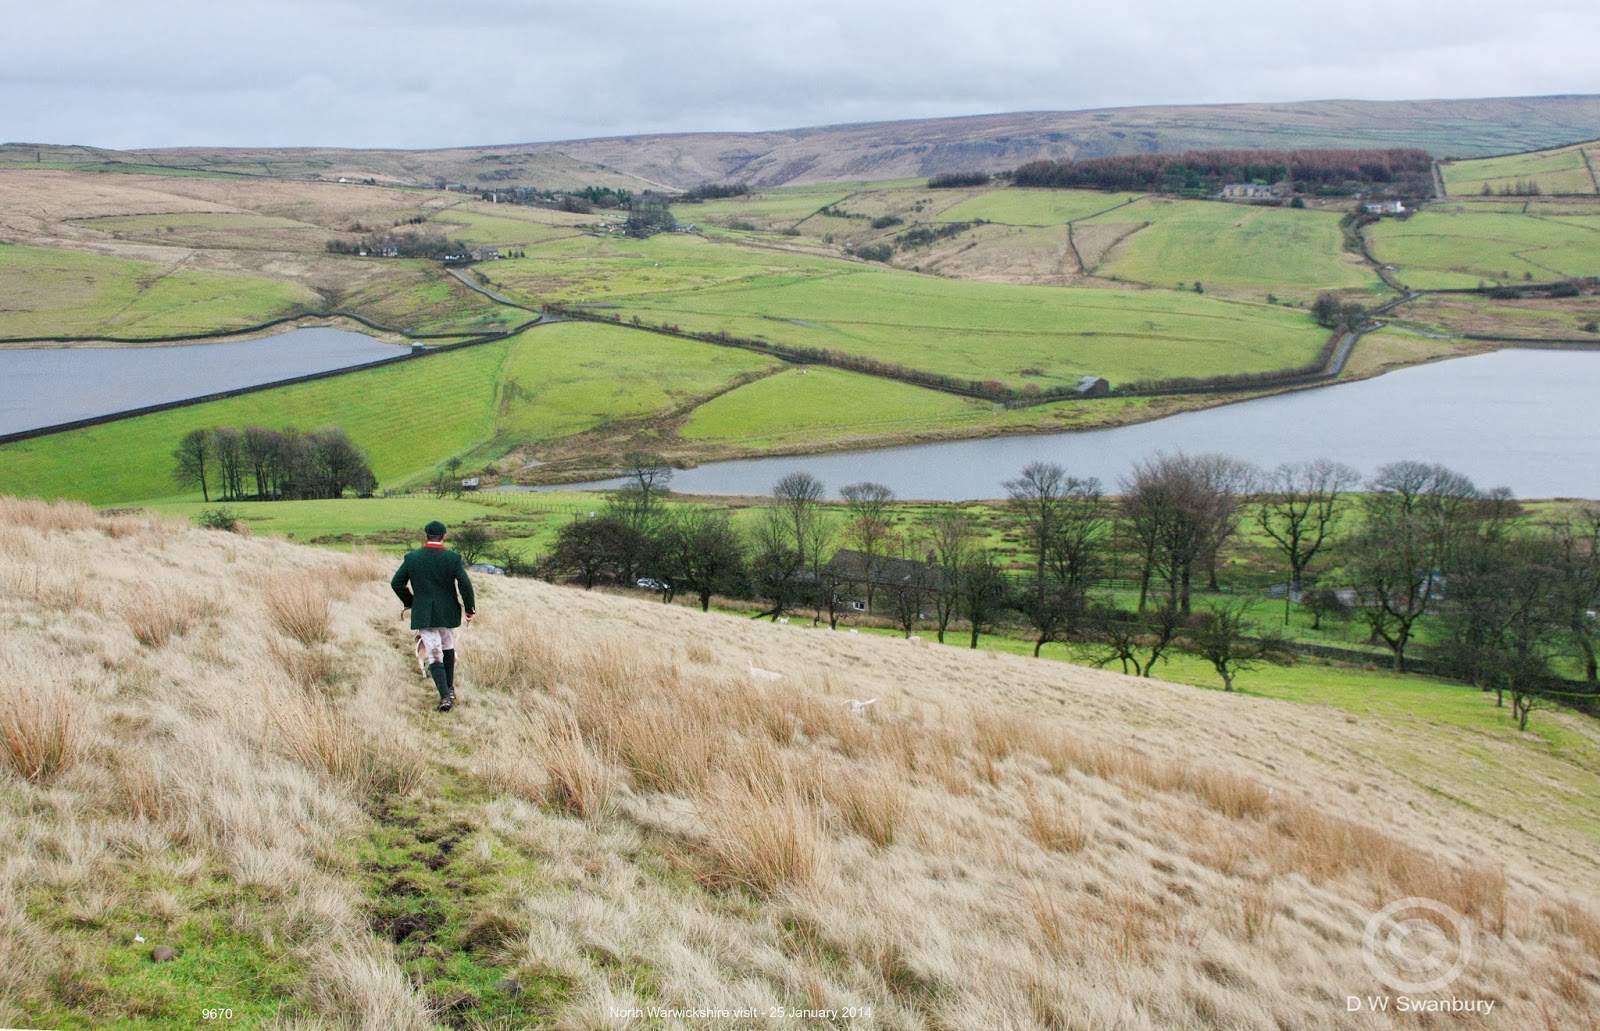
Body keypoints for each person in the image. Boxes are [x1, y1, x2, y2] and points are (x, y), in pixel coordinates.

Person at [391, 520, 475, 711]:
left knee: (434, 653)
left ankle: (445, 696)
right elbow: (465, 585)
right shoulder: (452, 558)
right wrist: (470, 609)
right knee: (447, 647)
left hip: (425, 614)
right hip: (448, 612)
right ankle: (450, 689)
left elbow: (396, 583)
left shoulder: (412, 558)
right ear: (444, 536)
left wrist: (412, 602)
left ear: (425, 535)